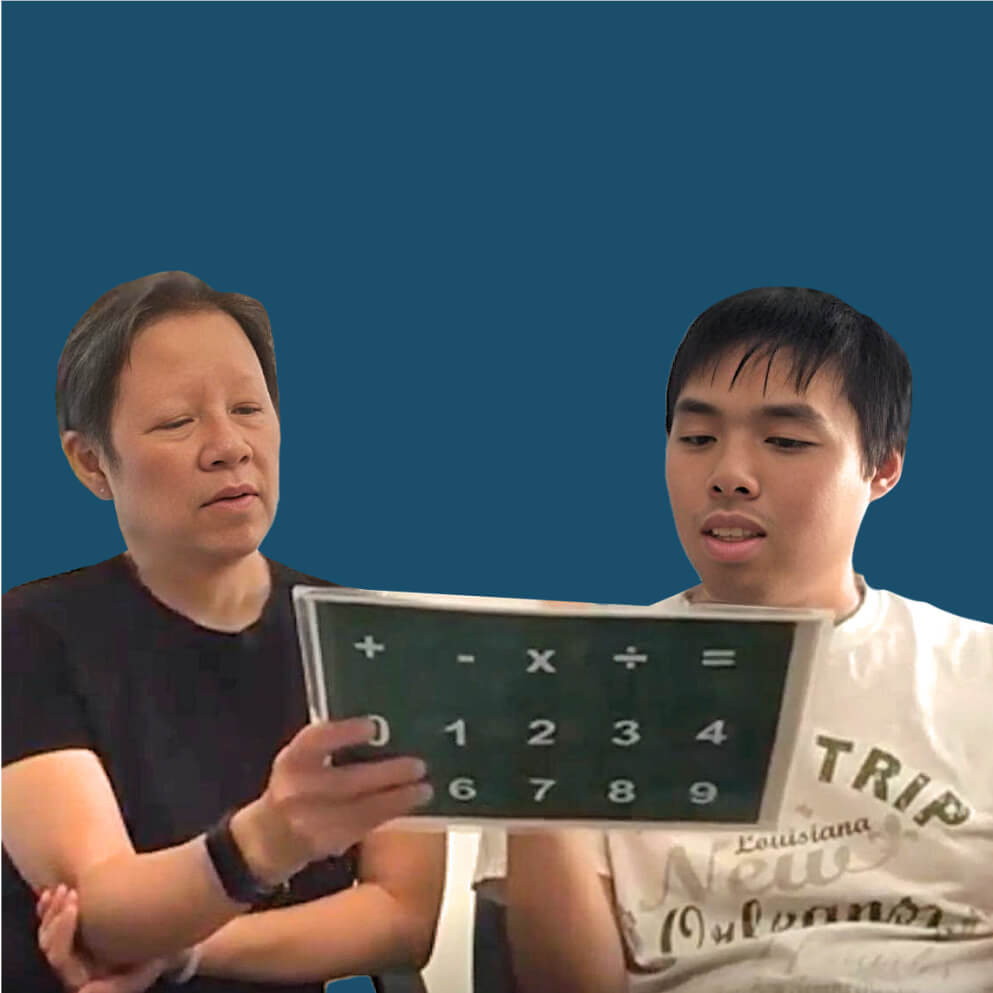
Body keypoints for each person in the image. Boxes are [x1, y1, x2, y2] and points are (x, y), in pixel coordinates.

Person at [474, 287, 993, 992]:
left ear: (882, 467)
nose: (727, 475)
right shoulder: (581, 674)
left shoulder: (976, 673)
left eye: (783, 440)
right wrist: (546, 753)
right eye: (696, 439)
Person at [2, 271, 446, 992]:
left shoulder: (366, 636)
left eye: (248, 407)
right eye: (178, 421)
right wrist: (268, 838)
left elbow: (402, 914)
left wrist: (190, 950)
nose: (228, 445)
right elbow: (104, 912)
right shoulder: (28, 635)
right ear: (91, 462)